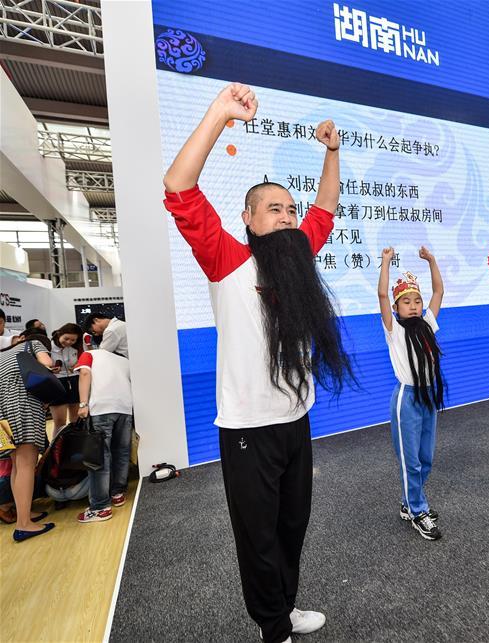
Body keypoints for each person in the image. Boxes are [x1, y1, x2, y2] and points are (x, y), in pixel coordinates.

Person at [162, 82, 351, 642]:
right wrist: (219, 112)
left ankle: (285, 609)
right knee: (259, 538)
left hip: (296, 421)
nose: (288, 217)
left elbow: (325, 207)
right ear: (247, 218)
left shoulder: (298, 255)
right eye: (274, 210)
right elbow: (178, 187)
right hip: (247, 428)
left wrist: (332, 152)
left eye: (290, 210)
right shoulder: (227, 260)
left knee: (292, 526)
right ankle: (273, 628)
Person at [378, 246, 445, 541]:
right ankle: (418, 511)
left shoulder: (427, 325)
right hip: (406, 398)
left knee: (426, 457)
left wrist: (432, 260)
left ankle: (409, 502)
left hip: (428, 396)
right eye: (406, 302)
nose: (414, 306)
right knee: (411, 461)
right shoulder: (394, 330)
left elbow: (438, 291)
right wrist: (385, 262)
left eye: (417, 301)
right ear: (397, 307)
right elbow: (382, 295)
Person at [0, 329, 55, 542]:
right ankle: (24, 524)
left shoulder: (4, 353)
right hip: (22, 407)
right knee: (25, 465)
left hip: (2, 414)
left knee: (16, 464)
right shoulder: (33, 345)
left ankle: (24, 514)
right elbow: (47, 364)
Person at [73, 348, 133, 522]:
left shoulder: (90, 354)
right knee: (121, 452)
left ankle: (100, 507)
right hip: (125, 408)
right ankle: (117, 494)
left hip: (101, 408)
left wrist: (83, 404)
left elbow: (85, 373)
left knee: (99, 457)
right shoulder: (124, 360)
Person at [49, 324, 84, 435]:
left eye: (73, 340)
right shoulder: (48, 346)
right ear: (59, 334)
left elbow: (83, 360)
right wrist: (50, 369)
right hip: (56, 382)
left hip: (74, 380)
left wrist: (77, 365)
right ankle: (56, 445)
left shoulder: (77, 347)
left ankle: (74, 444)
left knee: (75, 420)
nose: (69, 342)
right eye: (66, 338)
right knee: (60, 422)